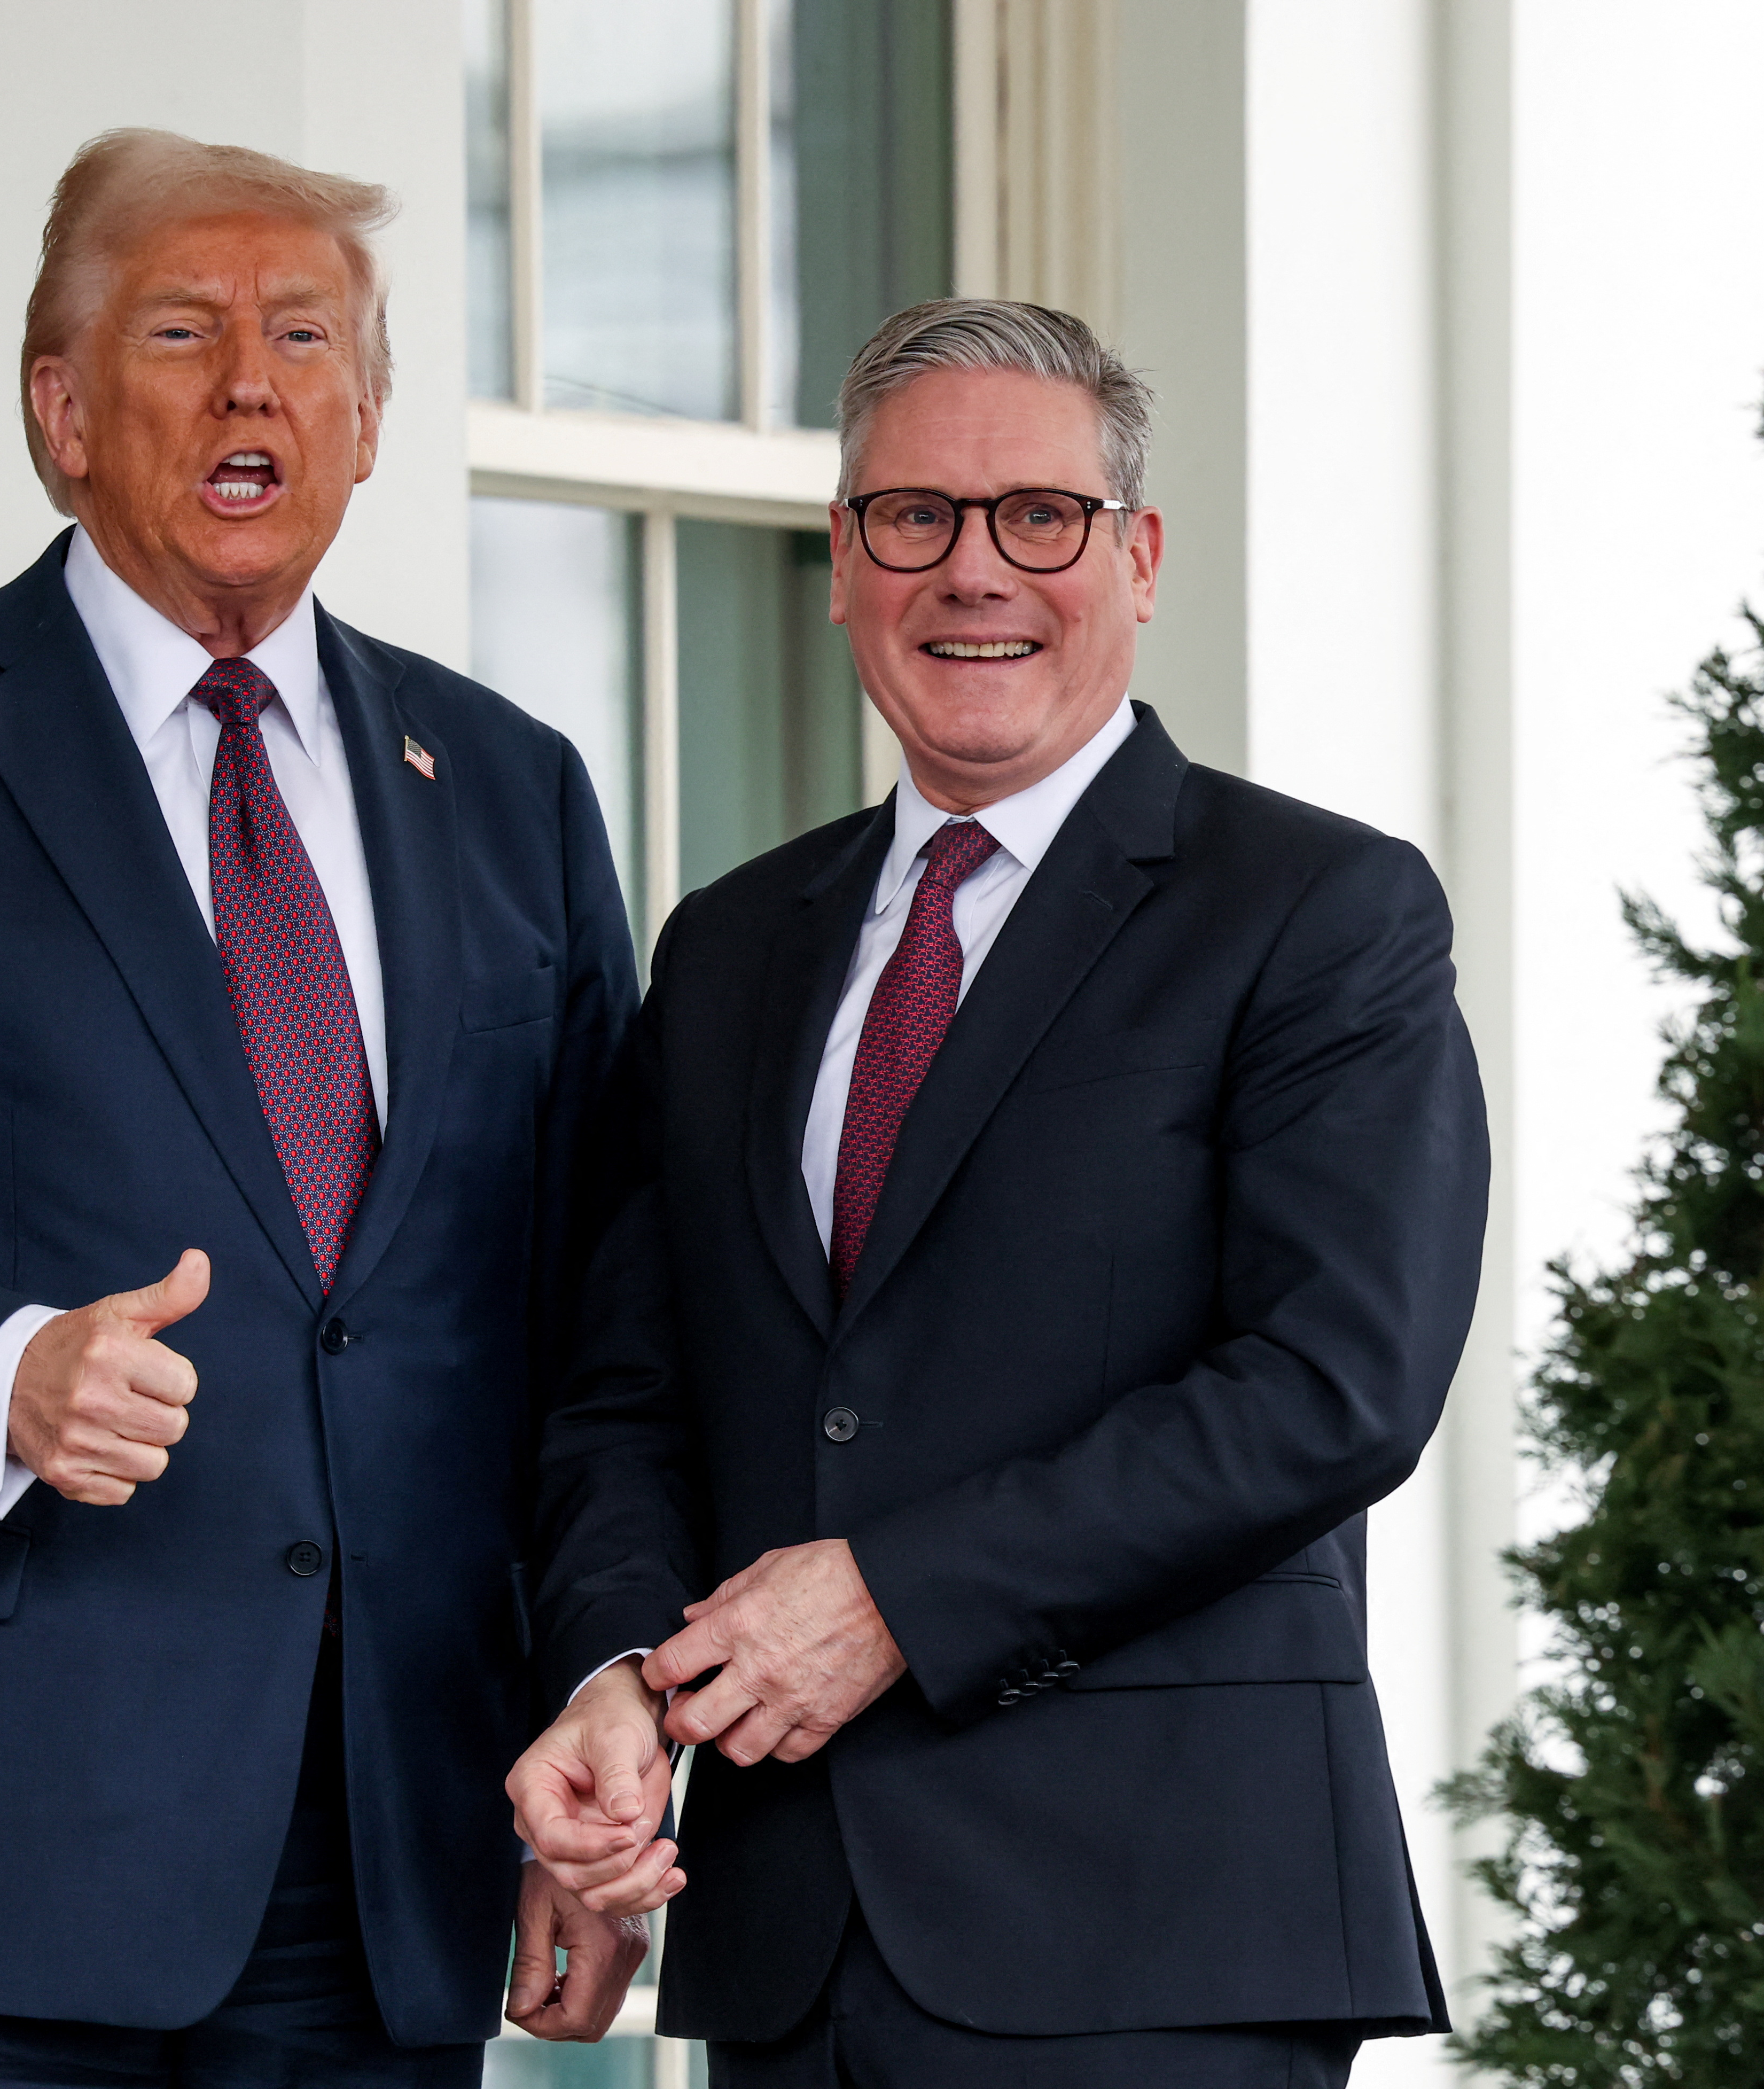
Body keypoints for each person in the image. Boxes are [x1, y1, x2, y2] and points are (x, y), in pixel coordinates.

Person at [510, 298, 1494, 2088]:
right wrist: (618, 1681)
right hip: (790, 1937)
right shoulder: (730, 949)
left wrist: (895, 1596)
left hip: (1157, 1933)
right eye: (914, 518)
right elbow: (630, 1396)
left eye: (1036, 517)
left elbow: (1333, 1386)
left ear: (1137, 557)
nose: (974, 571)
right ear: (840, 562)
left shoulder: (1315, 912)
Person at [0, 129, 645, 2088]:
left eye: (308, 338)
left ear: (367, 419)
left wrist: (592, 1722)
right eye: (184, 330)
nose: (255, 381)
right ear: (62, 410)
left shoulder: (512, 788)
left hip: (400, 1855)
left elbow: (598, 1323)